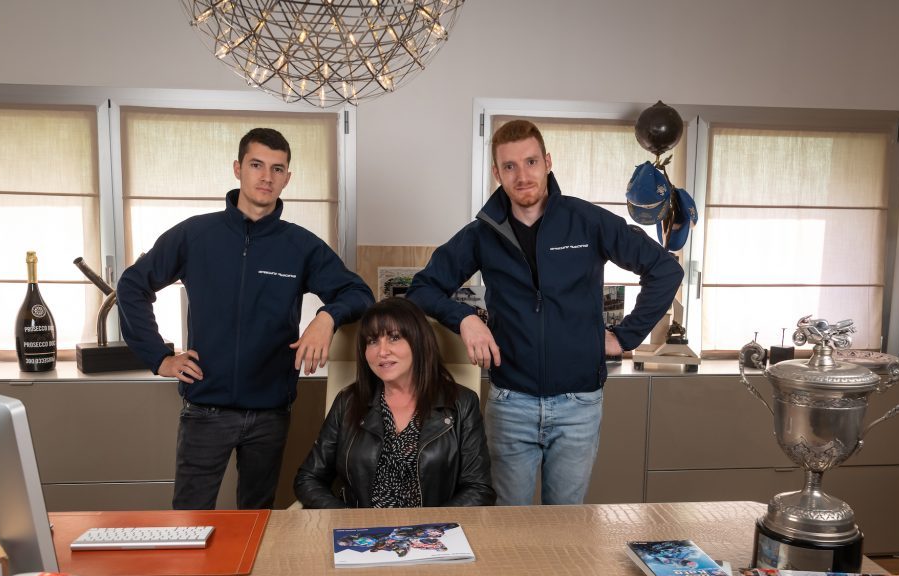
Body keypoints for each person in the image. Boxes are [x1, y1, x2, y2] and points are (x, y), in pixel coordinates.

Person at [406, 119, 683, 505]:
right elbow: (421, 289)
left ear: (547, 162)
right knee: (507, 526)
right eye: (510, 166)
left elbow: (666, 270)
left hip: (579, 405)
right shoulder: (482, 234)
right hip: (510, 403)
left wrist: (626, 336)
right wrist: (465, 319)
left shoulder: (587, 221)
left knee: (564, 526)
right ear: (497, 173)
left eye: (531, 162)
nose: (522, 176)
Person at [117, 127, 374, 510]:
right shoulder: (194, 235)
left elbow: (360, 294)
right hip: (205, 409)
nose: (266, 177)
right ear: (238, 169)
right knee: (190, 519)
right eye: (256, 165)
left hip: (270, 413)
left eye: (277, 168)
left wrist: (326, 317)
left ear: (287, 178)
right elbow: (132, 285)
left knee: (257, 521)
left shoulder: (300, 246)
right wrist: (160, 357)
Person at [293, 298, 495, 508]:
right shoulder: (348, 401)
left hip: (433, 527)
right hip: (361, 527)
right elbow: (308, 479)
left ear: (419, 342)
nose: (382, 351)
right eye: (372, 341)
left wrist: (432, 525)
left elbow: (479, 489)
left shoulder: (462, 403)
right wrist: (348, 519)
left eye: (394, 337)